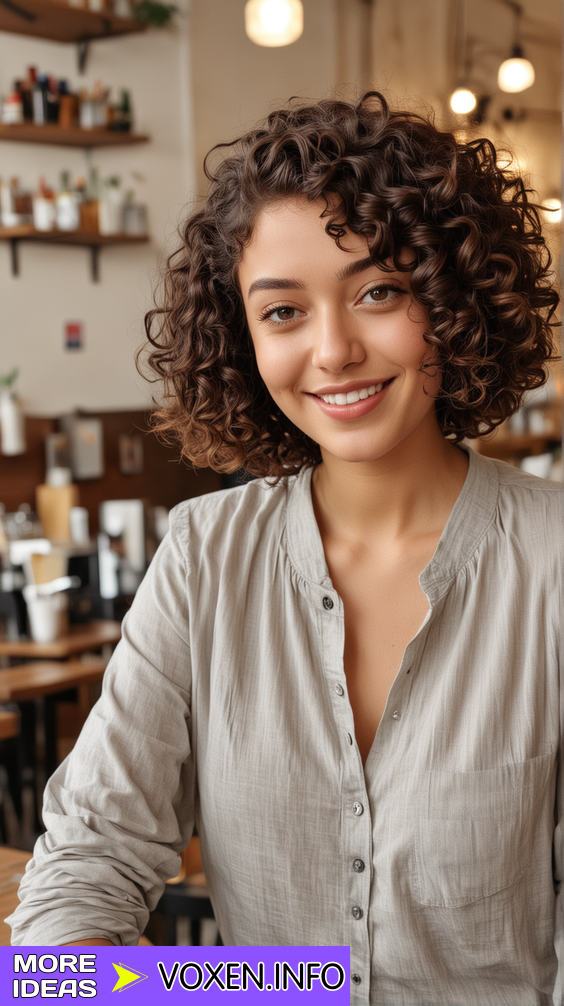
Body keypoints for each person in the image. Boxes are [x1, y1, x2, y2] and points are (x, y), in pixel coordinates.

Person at [7, 92, 563, 1005]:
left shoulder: (552, 561)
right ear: (241, 340)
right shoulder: (203, 556)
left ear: (452, 298)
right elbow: (90, 856)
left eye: (378, 292)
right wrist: (109, 978)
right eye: (283, 313)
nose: (334, 350)